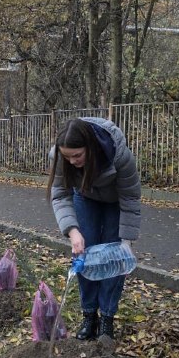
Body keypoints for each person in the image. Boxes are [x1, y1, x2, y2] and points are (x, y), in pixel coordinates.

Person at [47, 117, 141, 340]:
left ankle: (107, 319)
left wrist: (126, 243)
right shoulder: (62, 158)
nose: (71, 162)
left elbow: (130, 197)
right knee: (84, 255)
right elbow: (60, 195)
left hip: (116, 202)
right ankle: (89, 316)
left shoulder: (120, 156)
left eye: (77, 155)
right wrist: (72, 231)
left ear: (91, 147)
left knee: (114, 259)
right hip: (85, 197)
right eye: (67, 156)